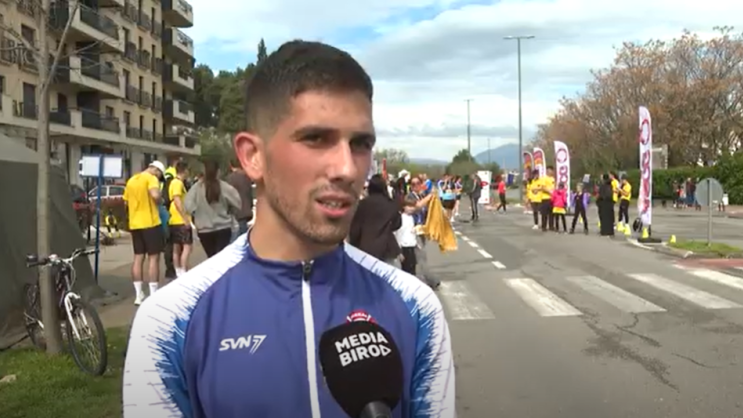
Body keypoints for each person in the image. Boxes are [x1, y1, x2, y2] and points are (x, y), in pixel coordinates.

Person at [123, 40, 453, 418]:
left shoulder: (415, 306)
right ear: (253, 156)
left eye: (361, 144)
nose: (347, 169)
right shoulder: (170, 322)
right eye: (316, 139)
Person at [123, 161, 165, 305]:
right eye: (160, 176)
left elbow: (125, 202)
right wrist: (160, 200)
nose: (158, 178)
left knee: (138, 258)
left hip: (135, 224)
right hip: (151, 223)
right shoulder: (151, 178)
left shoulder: (131, 180)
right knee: (153, 258)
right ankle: (153, 294)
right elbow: (155, 195)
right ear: (157, 170)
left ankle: (138, 295)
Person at [184, 159, 241, 257]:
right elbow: (237, 202)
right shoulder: (224, 187)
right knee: (222, 258)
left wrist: (196, 214)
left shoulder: (197, 187)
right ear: (218, 172)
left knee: (212, 257)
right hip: (223, 227)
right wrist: (230, 211)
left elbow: (187, 205)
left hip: (204, 230)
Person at [349, 174, 402, 266]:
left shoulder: (362, 205)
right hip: (387, 248)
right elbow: (397, 224)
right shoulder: (390, 204)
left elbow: (355, 230)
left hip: (365, 248)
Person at [407, 175, 440, 290]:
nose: (415, 186)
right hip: (413, 230)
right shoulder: (410, 196)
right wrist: (430, 196)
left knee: (415, 258)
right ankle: (431, 280)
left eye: (417, 183)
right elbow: (417, 206)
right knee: (421, 256)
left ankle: (412, 278)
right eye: (413, 184)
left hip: (421, 230)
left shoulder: (421, 195)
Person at [168, 161, 192, 277]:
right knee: (187, 247)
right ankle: (183, 271)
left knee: (176, 247)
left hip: (173, 220)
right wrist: (185, 218)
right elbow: (177, 200)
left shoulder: (173, 183)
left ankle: (178, 271)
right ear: (185, 170)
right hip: (180, 220)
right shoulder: (178, 183)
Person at [225, 157, 254, 240]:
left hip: (235, 212)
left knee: (235, 237)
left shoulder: (230, 178)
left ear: (231, 165)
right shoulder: (247, 177)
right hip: (245, 210)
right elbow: (249, 193)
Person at [395, 196, 419, 275]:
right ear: (404, 207)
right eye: (409, 206)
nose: (411, 209)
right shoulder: (401, 218)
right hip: (404, 247)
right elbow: (398, 234)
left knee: (413, 267)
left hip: (411, 245)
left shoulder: (411, 217)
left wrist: (416, 242)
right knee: (406, 269)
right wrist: (399, 251)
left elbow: (411, 232)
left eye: (413, 206)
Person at [161, 166, 177, 280]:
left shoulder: (160, 183)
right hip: (170, 216)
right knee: (172, 244)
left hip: (161, 216)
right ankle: (173, 269)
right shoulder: (171, 183)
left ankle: (170, 269)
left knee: (168, 244)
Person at [538, 166, 556, 231]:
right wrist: (550, 191)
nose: (550, 172)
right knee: (544, 213)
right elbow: (543, 187)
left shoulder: (553, 179)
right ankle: (544, 226)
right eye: (549, 170)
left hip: (552, 198)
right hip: (545, 198)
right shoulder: (543, 178)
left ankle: (551, 226)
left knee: (552, 213)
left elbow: (554, 187)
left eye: (551, 170)